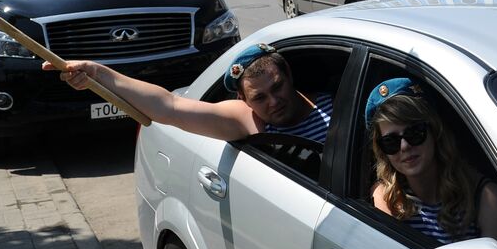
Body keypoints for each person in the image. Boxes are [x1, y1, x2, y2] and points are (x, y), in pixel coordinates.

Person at [45, 42, 333, 142]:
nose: (275, 101)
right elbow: (168, 106)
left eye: (278, 86)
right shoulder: (248, 122)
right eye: (259, 98)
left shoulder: (333, 103)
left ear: (289, 75)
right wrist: (100, 73)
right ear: (243, 101)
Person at [365, 78, 497, 248]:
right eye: (391, 142)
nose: (404, 146)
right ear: (382, 151)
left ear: (435, 132)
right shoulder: (386, 196)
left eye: (415, 133)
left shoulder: (484, 196)